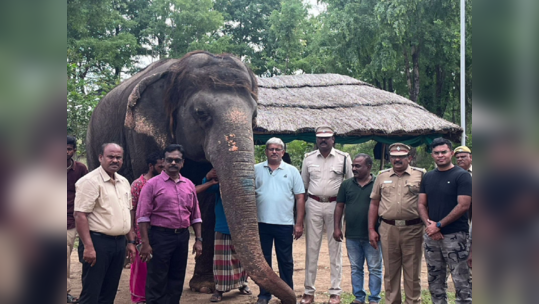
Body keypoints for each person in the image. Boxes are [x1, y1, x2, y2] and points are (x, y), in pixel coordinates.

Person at [137, 144, 203, 304]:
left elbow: (196, 215)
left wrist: (199, 240)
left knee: (177, 277)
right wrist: (145, 243)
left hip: (182, 237)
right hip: (160, 237)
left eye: (177, 160)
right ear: (164, 162)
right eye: (169, 160)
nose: (173, 163)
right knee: (157, 278)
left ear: (183, 163)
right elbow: (142, 217)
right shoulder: (152, 185)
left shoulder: (189, 185)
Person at [74, 143, 137, 304]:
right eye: (111, 156)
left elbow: (126, 212)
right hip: (97, 243)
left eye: (118, 157)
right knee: (91, 292)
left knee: (109, 291)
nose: (115, 160)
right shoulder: (89, 181)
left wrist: (130, 241)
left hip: (119, 243)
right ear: (101, 157)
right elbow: (80, 215)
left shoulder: (124, 182)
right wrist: (88, 247)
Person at [368, 143, 426, 304]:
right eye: (394, 156)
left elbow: (427, 201)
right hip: (388, 229)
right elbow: (374, 203)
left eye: (401, 156)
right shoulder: (382, 176)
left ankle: (413, 301)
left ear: (410, 158)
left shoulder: (420, 175)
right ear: (389, 158)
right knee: (390, 272)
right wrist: (371, 229)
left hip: (413, 229)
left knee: (412, 271)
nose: (397, 159)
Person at [300, 126, 353, 304]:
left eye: (327, 138)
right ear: (316, 140)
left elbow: (350, 183)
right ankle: (308, 291)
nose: (323, 141)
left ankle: (335, 291)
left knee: (335, 249)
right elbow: (303, 185)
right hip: (313, 203)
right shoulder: (308, 158)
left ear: (333, 139)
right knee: (311, 249)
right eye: (320, 138)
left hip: (335, 205)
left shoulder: (344, 158)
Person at [418, 138, 472, 304]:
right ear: (432, 155)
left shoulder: (462, 176)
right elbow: (421, 203)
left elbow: (463, 205)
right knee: (435, 278)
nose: (440, 155)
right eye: (436, 153)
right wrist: (430, 226)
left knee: (461, 279)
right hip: (431, 236)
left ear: (451, 153)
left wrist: (439, 225)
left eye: (444, 152)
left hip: (456, 236)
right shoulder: (428, 177)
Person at [254, 137, 305, 304]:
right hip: (262, 223)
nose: (274, 151)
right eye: (271, 149)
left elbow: (299, 198)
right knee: (264, 261)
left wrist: (298, 223)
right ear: (266, 151)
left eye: (277, 149)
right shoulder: (256, 169)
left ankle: (286, 294)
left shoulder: (291, 171)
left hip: (284, 224)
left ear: (283, 152)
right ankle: (264, 294)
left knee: (286, 261)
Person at [334, 154, 382, 304]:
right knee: (356, 268)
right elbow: (339, 206)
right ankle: (359, 297)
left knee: (374, 268)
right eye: (353, 166)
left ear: (369, 167)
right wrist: (337, 227)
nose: (354, 168)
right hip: (352, 235)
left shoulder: (377, 184)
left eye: (358, 166)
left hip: (373, 235)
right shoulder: (346, 184)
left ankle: (374, 298)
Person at [198, 168, 252, 302]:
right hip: (223, 226)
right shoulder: (222, 182)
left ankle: (243, 283)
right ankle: (220, 289)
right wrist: (207, 177)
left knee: (242, 259)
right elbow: (208, 189)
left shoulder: (247, 182)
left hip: (243, 227)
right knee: (221, 261)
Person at [129, 152, 165, 304]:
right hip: (140, 231)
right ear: (151, 166)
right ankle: (138, 297)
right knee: (141, 266)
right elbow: (132, 208)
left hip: (158, 231)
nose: (163, 169)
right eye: (160, 166)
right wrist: (131, 231)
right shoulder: (138, 184)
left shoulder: (163, 182)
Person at [67, 135, 88, 303]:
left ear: (74, 151)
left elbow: (87, 192)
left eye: (68, 148)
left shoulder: (80, 169)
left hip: (71, 220)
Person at [454, 145, 472, 221]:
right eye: (457, 157)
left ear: (471, 157)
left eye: (463, 157)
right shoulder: (453, 174)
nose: (460, 159)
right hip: (459, 210)